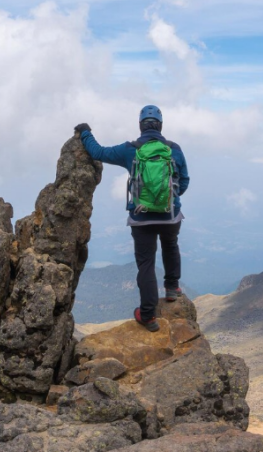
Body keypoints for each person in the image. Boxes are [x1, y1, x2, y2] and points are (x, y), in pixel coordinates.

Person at [75, 105, 190, 332]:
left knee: (146, 264)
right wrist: (170, 199)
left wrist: (84, 132)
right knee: (170, 245)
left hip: (141, 218)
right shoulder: (174, 150)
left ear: (140, 126)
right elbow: (184, 181)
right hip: (170, 215)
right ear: (161, 126)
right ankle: (171, 288)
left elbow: (98, 152)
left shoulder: (131, 150)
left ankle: (147, 315)